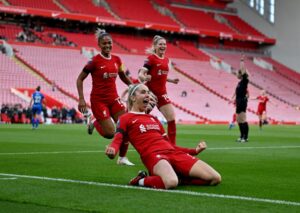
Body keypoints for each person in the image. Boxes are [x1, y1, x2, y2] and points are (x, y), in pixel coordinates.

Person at [105, 84, 221, 189]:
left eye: (148, 92)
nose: (148, 95)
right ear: (133, 98)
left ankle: (179, 178)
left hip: (173, 153)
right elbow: (118, 138)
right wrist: (113, 150)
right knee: (171, 182)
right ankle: (140, 180)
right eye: (143, 92)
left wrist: (194, 151)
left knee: (215, 178)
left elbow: (170, 145)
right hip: (154, 155)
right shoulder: (125, 118)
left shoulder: (154, 119)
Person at [76, 28, 134, 166]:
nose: (107, 46)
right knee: (110, 133)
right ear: (99, 45)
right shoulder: (94, 61)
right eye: (104, 44)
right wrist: (81, 99)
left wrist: (135, 87)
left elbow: (123, 76)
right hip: (99, 101)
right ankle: (94, 121)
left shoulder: (117, 60)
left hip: (114, 99)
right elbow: (80, 79)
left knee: (126, 126)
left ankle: (122, 158)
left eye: (109, 43)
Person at [138, 35, 179, 145]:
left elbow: (160, 76)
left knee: (171, 119)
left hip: (162, 94)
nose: (163, 46)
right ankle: (127, 142)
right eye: (160, 44)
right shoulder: (151, 59)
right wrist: (144, 77)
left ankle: (172, 147)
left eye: (164, 44)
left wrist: (171, 80)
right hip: (150, 94)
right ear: (155, 46)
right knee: (138, 119)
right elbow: (141, 73)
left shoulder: (166, 60)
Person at [231, 55, 250, 142]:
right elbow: (237, 92)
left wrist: (241, 60)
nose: (236, 75)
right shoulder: (239, 83)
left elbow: (243, 70)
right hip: (238, 101)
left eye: (237, 74)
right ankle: (241, 136)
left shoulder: (244, 81)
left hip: (242, 101)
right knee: (238, 120)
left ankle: (245, 137)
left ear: (241, 74)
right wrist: (233, 98)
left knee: (242, 119)